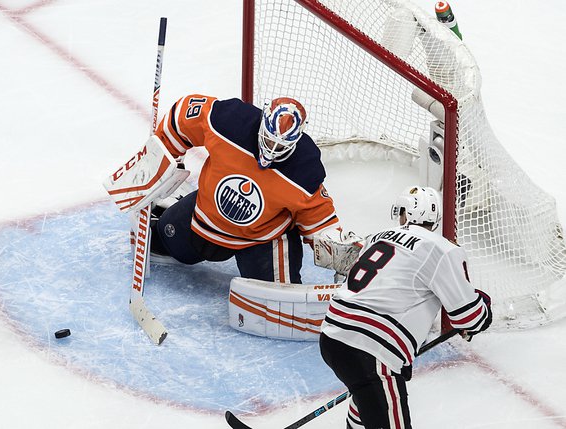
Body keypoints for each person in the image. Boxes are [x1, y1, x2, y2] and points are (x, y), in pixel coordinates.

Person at [319, 186, 492, 429]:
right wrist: (483, 303)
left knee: (365, 410)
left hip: (332, 338)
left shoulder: (377, 236)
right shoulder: (442, 248)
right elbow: (470, 318)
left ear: (405, 213)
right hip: (371, 350)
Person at [149, 94, 341, 283]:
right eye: (269, 138)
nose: (272, 148)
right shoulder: (230, 120)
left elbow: (318, 217)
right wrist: (159, 158)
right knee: (164, 241)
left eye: (280, 145)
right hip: (206, 216)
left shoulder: (304, 167)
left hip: (263, 240)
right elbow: (183, 116)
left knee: (275, 297)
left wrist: (338, 253)